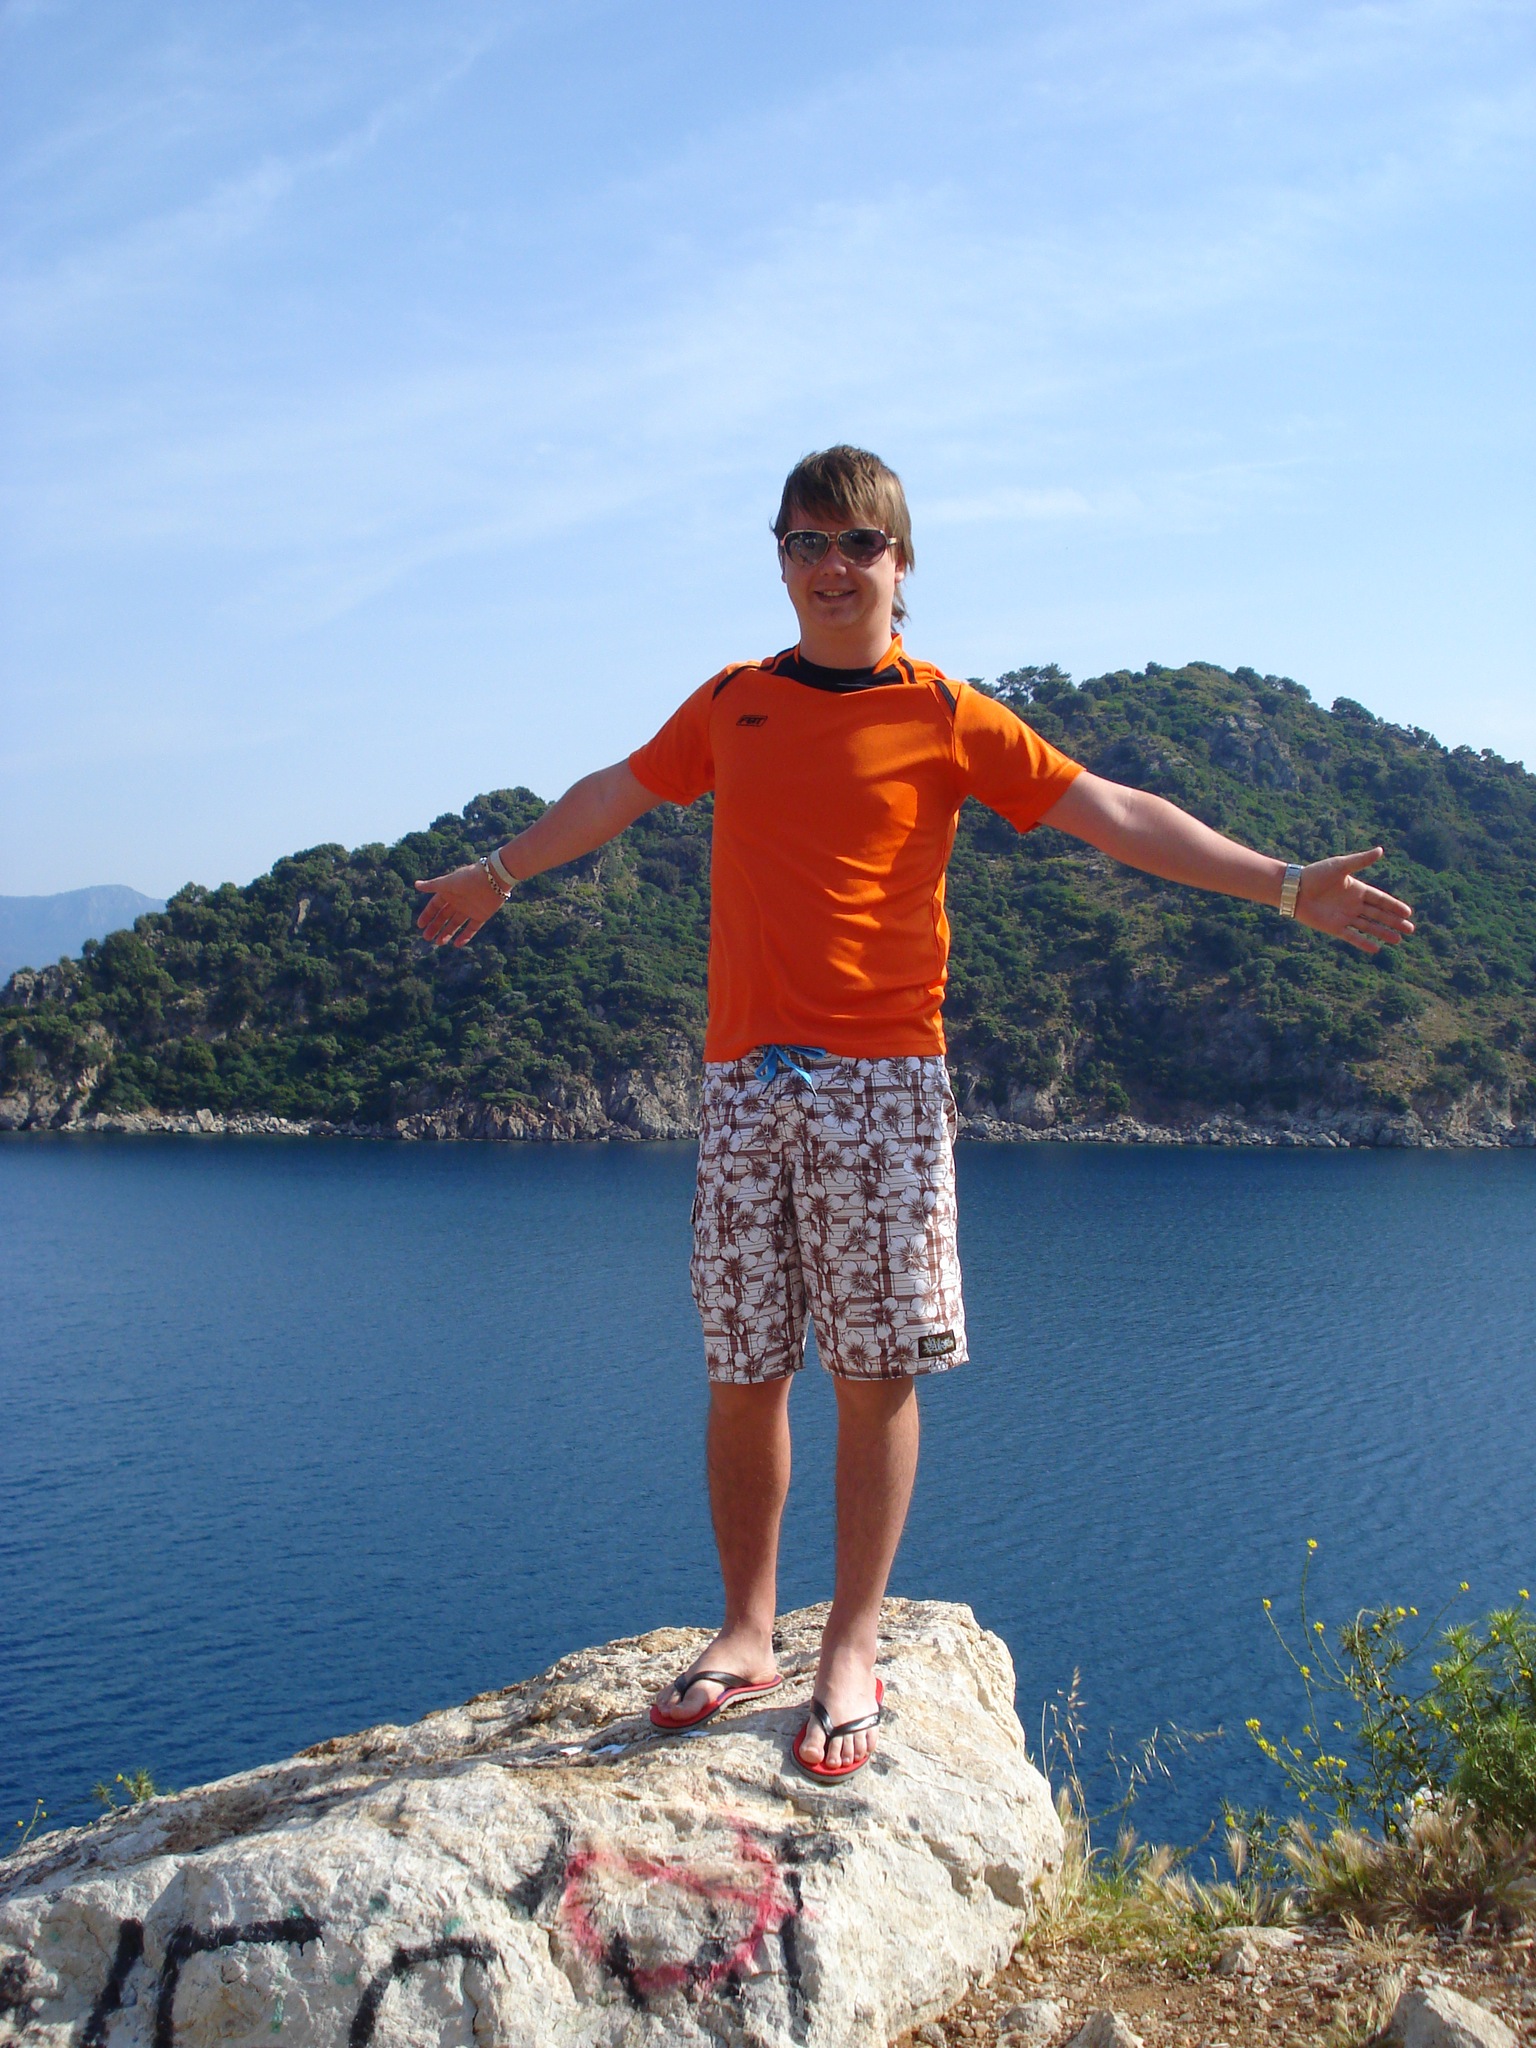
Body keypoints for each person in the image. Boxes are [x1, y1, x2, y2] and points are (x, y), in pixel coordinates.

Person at [414, 444, 1414, 1780]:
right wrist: (495, 871)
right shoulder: (733, 702)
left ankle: (850, 1645)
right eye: (807, 543)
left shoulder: (946, 714)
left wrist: (1284, 887)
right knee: (742, 1367)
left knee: (873, 1372)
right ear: (781, 563)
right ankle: (747, 1631)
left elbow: (1115, 813)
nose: (833, 567)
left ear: (901, 563)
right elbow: (615, 793)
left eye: (858, 543)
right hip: (743, 1080)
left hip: (884, 1081)